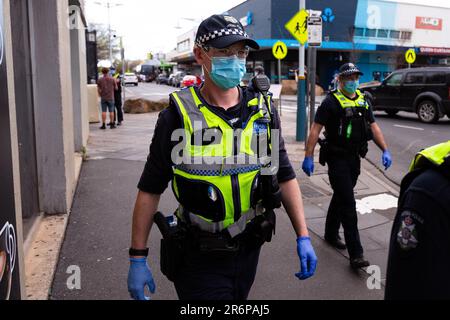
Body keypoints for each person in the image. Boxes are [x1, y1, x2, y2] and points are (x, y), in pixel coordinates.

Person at [127, 14, 317, 301]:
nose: (236, 60)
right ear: (200, 55)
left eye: (240, 52)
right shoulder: (177, 117)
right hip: (197, 257)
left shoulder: (262, 111)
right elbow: (151, 188)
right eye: (225, 52)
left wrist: (303, 234)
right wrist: (137, 257)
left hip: (250, 249)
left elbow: (284, 174)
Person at [302, 63, 392, 269]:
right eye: (348, 78)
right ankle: (356, 254)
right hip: (336, 158)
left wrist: (385, 150)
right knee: (349, 205)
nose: (352, 82)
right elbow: (315, 130)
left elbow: (374, 126)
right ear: (340, 80)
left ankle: (330, 233)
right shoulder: (330, 102)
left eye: (355, 78)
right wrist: (308, 156)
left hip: (354, 158)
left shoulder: (363, 100)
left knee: (342, 195)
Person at [385, 141, 450, 300]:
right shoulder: (430, 191)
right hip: (340, 158)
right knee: (345, 203)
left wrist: (384, 149)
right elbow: (404, 286)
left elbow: (372, 125)